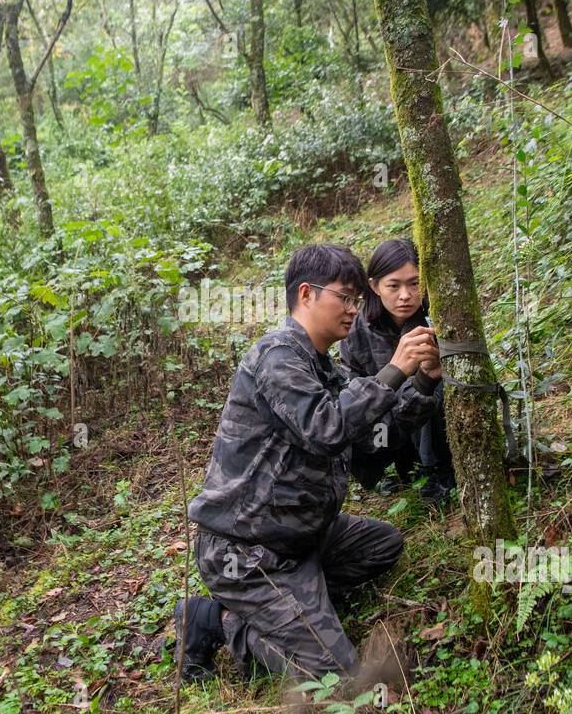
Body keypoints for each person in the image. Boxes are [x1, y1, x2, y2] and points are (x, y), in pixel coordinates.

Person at [174, 244, 442, 683]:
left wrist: (425, 383)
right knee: (338, 679)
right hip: (247, 550)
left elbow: (378, 439)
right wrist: (394, 370)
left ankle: (297, 599)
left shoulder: (327, 371)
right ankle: (217, 621)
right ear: (306, 294)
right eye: (345, 297)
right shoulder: (276, 357)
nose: (354, 309)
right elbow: (326, 428)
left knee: (383, 545)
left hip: (304, 537)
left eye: (357, 298)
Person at [339, 238, 456, 503]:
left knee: (431, 390)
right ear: (374, 286)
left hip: (433, 424)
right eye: (393, 286)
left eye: (414, 284)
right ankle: (395, 469)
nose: (405, 295)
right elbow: (354, 389)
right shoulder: (356, 330)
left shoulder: (438, 316)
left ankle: (437, 470)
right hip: (390, 424)